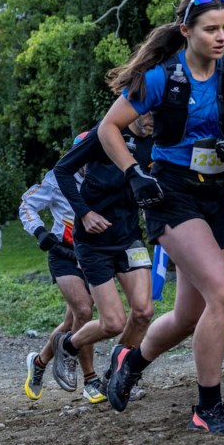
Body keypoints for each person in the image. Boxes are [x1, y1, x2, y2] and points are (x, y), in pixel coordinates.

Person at [99, 0, 224, 433]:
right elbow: (108, 129)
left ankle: (129, 362)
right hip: (171, 193)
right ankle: (207, 407)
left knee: (189, 316)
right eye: (211, 29)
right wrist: (135, 172)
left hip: (214, 196)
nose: (221, 36)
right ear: (186, 31)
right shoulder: (162, 79)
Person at [51, 115, 154, 400]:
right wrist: (84, 212)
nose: (153, 120)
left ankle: (116, 378)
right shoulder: (105, 134)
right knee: (113, 323)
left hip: (129, 236)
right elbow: (62, 171)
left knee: (144, 312)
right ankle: (68, 345)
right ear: (135, 110)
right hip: (93, 242)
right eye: (149, 113)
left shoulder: (156, 140)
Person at [18, 166, 104, 403]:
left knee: (72, 322)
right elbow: (27, 204)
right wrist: (39, 231)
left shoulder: (105, 172)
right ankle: (91, 380)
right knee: (84, 311)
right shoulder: (58, 178)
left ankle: (39, 362)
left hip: (92, 255)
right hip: (63, 254)